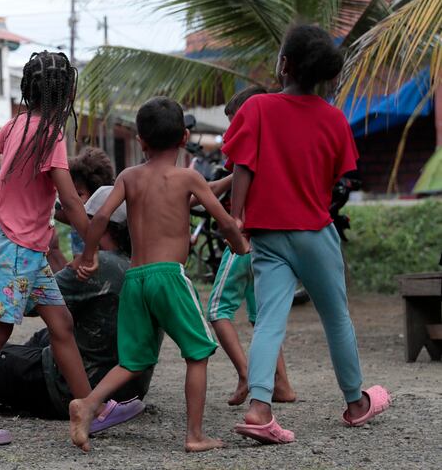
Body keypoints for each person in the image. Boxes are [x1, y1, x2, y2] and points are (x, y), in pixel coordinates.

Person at [0, 51, 139, 445]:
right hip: (14, 248)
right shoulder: (51, 135)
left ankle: (88, 407)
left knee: (60, 324)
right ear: (65, 92)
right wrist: (91, 250)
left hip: (26, 248)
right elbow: (72, 201)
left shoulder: (15, 126)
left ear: (30, 88)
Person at [224, 24, 390, 445]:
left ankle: (260, 409)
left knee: (269, 322)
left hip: (267, 235)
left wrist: (235, 217)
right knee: (336, 317)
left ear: (284, 65)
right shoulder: (335, 119)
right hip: (315, 232)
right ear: (324, 75)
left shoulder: (257, 108)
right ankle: (355, 402)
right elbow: (335, 176)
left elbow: (242, 165)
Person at [69, 96, 250, 453]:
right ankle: (195, 435)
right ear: (185, 137)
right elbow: (223, 218)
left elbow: (101, 216)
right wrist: (239, 243)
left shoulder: (129, 177)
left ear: (140, 141)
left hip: (135, 279)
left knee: (133, 361)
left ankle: (88, 405)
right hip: (169, 277)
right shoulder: (188, 177)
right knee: (197, 352)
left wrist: (88, 254)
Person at [0, 184, 153, 420]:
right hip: (128, 391)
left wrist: (44, 252)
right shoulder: (149, 267)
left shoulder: (101, 266)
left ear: (101, 224)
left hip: (68, 388)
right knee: (45, 335)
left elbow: (27, 304)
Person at [206, 86, 297, 406]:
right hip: (272, 242)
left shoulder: (247, 150)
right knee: (263, 316)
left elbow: (231, 192)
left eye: (235, 123)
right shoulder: (274, 147)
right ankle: (281, 385)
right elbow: (225, 182)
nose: (231, 132)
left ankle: (247, 374)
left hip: (246, 241)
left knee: (217, 310)